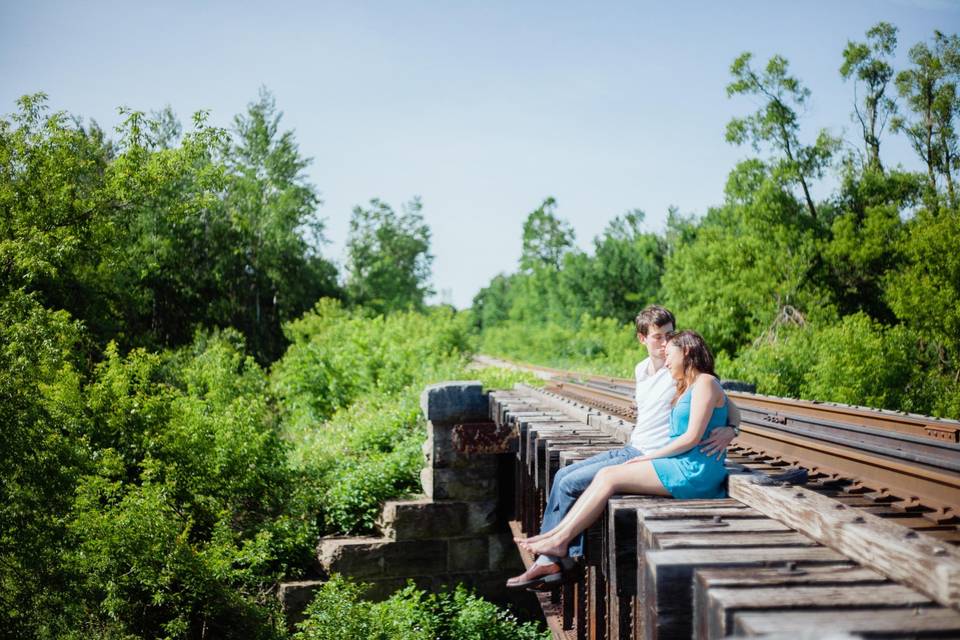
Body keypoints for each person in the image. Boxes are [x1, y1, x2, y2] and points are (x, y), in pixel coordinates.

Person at [505, 308, 738, 589]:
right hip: (637, 447)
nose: (665, 346)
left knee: (589, 481)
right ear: (642, 338)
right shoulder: (655, 373)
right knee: (562, 476)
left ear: (684, 351)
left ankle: (554, 554)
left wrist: (732, 429)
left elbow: (724, 408)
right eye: (658, 337)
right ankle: (554, 542)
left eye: (669, 339)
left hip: (669, 460)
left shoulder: (695, 379)